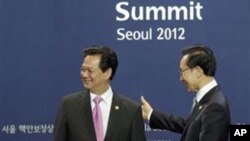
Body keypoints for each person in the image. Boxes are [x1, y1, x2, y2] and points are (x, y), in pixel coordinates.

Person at [54, 45, 146, 141]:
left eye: (90, 71)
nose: (84, 74)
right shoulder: (69, 105)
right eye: (83, 69)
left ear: (107, 73)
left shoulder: (131, 110)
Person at [141, 44, 231, 141]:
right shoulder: (210, 99)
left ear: (197, 71)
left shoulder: (215, 107)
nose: (181, 78)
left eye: (182, 71)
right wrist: (151, 114)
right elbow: (189, 126)